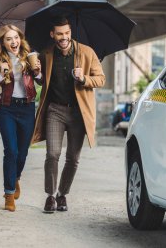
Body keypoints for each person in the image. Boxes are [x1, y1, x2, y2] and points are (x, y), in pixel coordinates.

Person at [31, 17, 105, 213]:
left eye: (66, 33)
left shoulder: (86, 52)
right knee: (52, 154)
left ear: (70, 32)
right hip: (55, 110)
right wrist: (37, 73)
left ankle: (62, 194)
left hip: (78, 113)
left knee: (73, 157)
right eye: (59, 33)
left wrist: (83, 78)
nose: (63, 37)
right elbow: (40, 82)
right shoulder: (46, 54)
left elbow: (101, 79)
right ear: (52, 34)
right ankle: (50, 196)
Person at [0, 24, 41, 212]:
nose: (13, 42)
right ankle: (9, 194)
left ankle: (15, 177)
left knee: (23, 152)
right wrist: (1, 75)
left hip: (27, 108)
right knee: (11, 151)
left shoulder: (29, 56)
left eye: (16, 37)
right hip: (7, 109)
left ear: (20, 39)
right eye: (8, 39)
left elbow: (41, 80)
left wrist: (38, 71)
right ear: (3, 42)